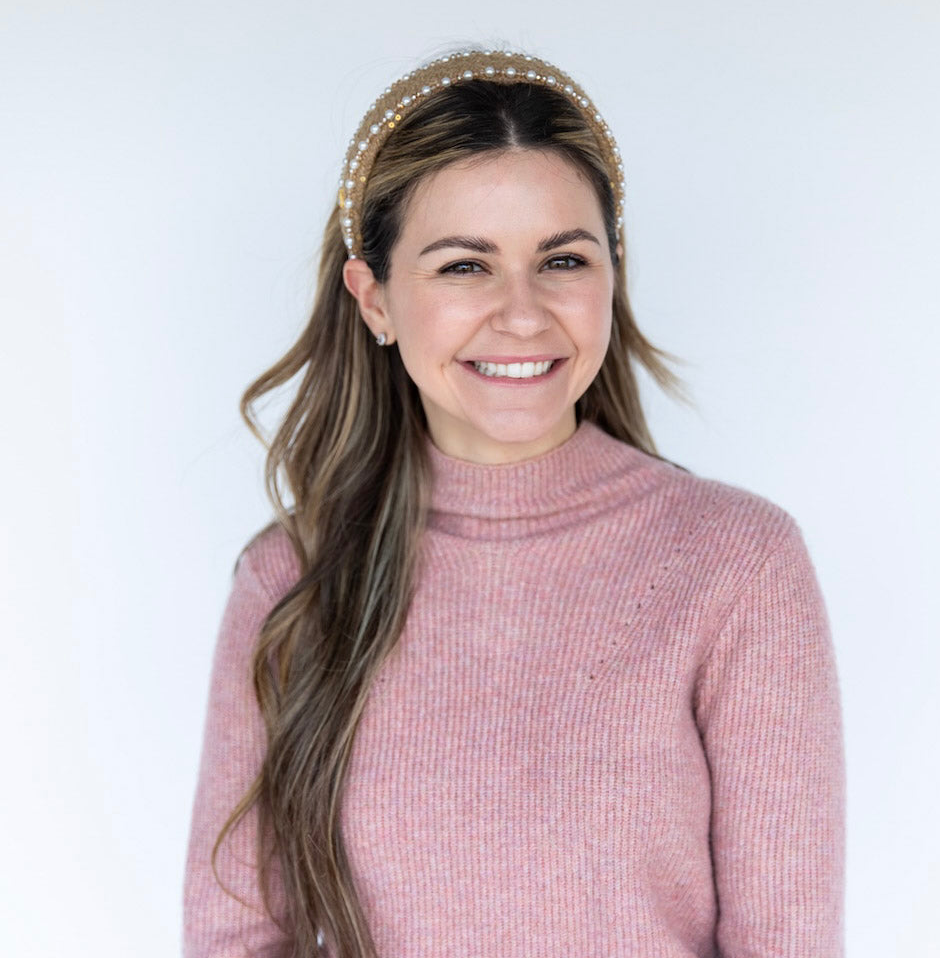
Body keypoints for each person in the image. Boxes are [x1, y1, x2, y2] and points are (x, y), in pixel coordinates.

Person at [183, 49, 845, 958]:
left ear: (612, 274)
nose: (524, 314)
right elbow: (233, 937)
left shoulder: (738, 564)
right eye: (465, 267)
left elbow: (788, 941)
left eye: (561, 260)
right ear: (374, 298)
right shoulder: (290, 581)